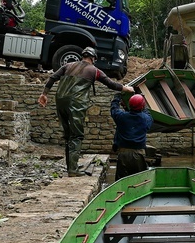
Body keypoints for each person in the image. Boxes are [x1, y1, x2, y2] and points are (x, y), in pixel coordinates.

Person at [38, 46, 135, 177]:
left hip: (60, 101)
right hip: (76, 104)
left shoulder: (68, 66)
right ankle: (73, 170)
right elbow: (111, 84)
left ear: (83, 56)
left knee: (68, 135)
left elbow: (52, 78)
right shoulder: (94, 71)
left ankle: (70, 167)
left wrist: (44, 94)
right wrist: (125, 88)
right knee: (76, 135)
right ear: (93, 58)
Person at [111, 92, 154, 180]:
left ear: (129, 105)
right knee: (139, 180)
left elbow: (114, 109)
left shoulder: (121, 117)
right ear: (142, 106)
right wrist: (142, 98)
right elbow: (147, 113)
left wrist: (117, 97)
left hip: (123, 153)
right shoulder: (146, 119)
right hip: (138, 154)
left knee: (121, 181)